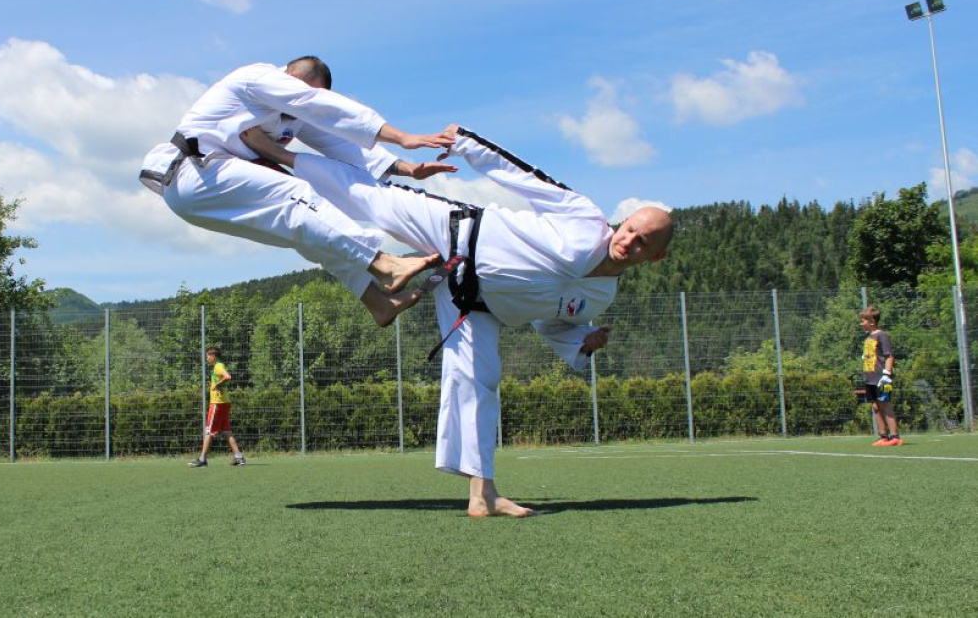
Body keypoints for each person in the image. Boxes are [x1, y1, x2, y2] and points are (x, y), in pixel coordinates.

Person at [241, 124, 674, 517]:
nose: (628, 241)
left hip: (471, 303)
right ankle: (272, 154)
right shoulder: (583, 218)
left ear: (656, 256)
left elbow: (550, 320)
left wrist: (582, 341)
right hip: (454, 232)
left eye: (642, 242)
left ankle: (482, 495)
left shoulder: (601, 295)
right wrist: (466, 143)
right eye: (630, 229)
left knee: (479, 385)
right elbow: (525, 177)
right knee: (366, 197)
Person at [139, 56, 456, 328]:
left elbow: (345, 145)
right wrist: (400, 136)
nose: (299, 106)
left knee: (310, 231)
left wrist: (407, 168)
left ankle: (379, 304)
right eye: (302, 92)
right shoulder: (258, 77)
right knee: (298, 195)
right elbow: (317, 104)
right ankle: (384, 263)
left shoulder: (297, 116)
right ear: (290, 79)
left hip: (207, 191)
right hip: (195, 170)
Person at [189, 348, 245, 467]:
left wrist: (217, 385)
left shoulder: (218, 366)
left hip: (217, 404)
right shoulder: (218, 367)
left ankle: (203, 459)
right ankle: (239, 457)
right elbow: (222, 380)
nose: (207, 358)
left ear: (214, 356)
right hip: (225, 402)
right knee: (226, 431)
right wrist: (216, 385)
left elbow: (228, 377)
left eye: (208, 356)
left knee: (209, 431)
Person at [860, 306, 901, 446]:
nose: (861, 323)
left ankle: (895, 436)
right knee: (876, 407)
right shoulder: (868, 337)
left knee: (886, 404)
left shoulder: (881, 335)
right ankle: (883, 436)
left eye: (863, 320)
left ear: (872, 321)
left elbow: (889, 356)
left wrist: (886, 374)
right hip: (870, 378)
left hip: (881, 378)